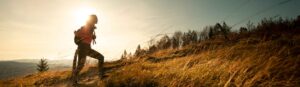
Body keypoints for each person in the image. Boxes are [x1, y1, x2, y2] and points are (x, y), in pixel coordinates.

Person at [72, 14, 104, 84]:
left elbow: (86, 35)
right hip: (82, 49)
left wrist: (92, 37)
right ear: (91, 21)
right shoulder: (85, 27)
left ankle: (101, 75)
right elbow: (76, 36)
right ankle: (74, 80)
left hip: (88, 49)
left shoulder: (91, 28)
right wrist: (79, 40)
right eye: (94, 22)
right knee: (80, 65)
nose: (94, 24)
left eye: (95, 22)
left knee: (101, 57)